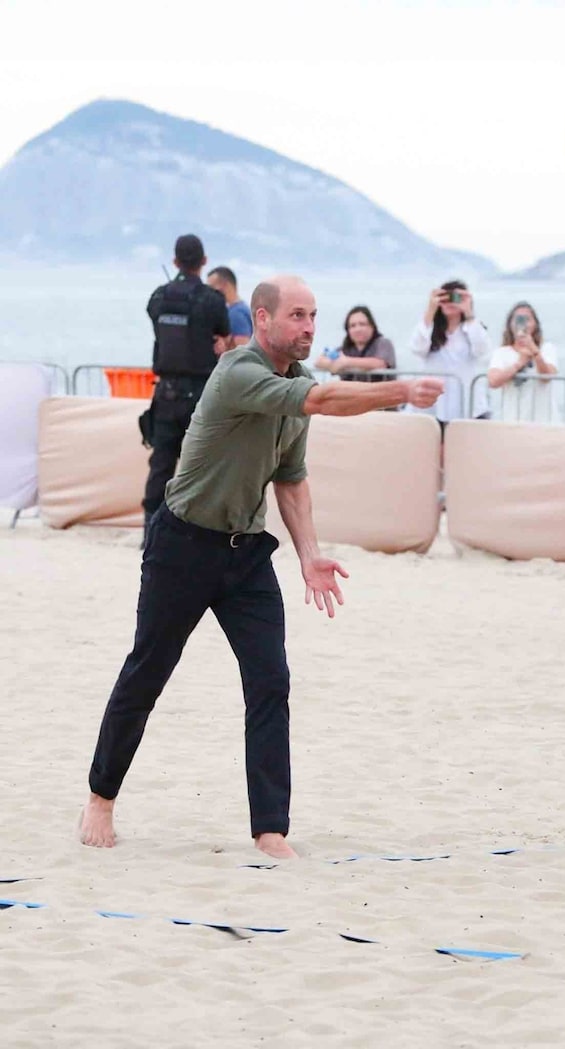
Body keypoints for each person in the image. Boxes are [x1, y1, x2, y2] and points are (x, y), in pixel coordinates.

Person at [79, 275, 443, 859]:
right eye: (297, 315)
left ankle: (270, 829)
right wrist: (398, 389)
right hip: (183, 546)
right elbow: (321, 401)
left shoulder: (298, 382)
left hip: (245, 553)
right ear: (263, 319)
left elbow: (291, 478)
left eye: (314, 316)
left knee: (271, 681)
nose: (308, 326)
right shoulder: (238, 373)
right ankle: (100, 798)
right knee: (148, 671)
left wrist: (310, 555)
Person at [142, 235, 230, 541]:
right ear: (204, 262)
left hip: (165, 393)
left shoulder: (157, 298)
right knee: (203, 466)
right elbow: (222, 331)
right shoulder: (212, 299)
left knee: (161, 466)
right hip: (201, 394)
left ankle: (151, 532)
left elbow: (157, 325)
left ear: (175, 261)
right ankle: (199, 533)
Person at [408, 280, 491, 432]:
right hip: (434, 401)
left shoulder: (473, 328)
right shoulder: (429, 329)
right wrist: (430, 310)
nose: (450, 303)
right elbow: (417, 348)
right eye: (445, 298)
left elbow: (482, 350)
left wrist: (469, 312)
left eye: (456, 298)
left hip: (465, 400)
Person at [488, 302, 559, 423]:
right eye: (518, 319)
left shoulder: (547, 348)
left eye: (527, 319)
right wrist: (519, 363)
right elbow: (493, 381)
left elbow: (548, 376)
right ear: (510, 324)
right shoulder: (501, 352)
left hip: (544, 420)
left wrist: (535, 351)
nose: (522, 323)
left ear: (535, 324)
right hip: (512, 419)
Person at [313, 305, 396, 381]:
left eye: (362, 324)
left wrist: (346, 363)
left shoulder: (383, 343)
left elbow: (380, 364)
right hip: (351, 395)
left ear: (372, 327)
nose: (358, 329)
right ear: (348, 330)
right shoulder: (346, 349)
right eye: (353, 326)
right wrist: (335, 364)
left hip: (380, 394)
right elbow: (319, 362)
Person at [207, 266, 254, 349]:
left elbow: (242, 351)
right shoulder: (241, 309)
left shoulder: (236, 314)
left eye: (212, 289)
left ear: (225, 286)